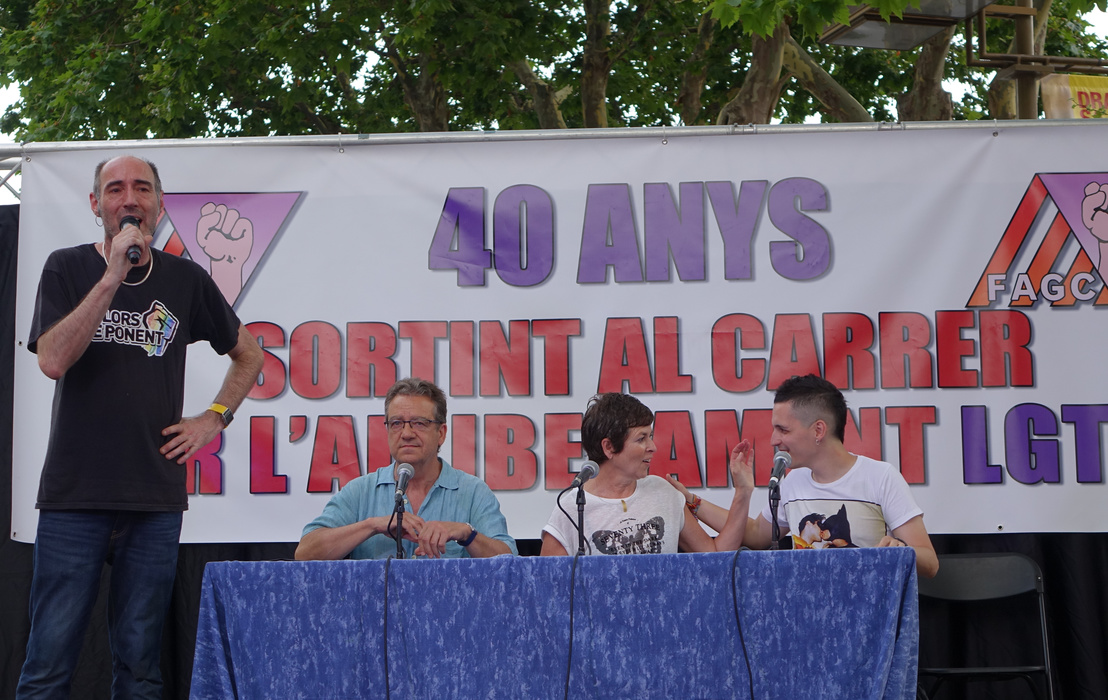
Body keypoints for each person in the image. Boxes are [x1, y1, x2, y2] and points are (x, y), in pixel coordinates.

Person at [17, 155, 265, 699]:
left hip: (153, 497)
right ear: (95, 204)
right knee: (48, 665)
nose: (129, 199)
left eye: (142, 188)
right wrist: (112, 276)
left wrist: (214, 417)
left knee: (140, 667)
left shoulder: (185, 278)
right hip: (74, 495)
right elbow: (52, 360)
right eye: (115, 189)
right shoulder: (66, 267)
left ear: (159, 203)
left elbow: (250, 355)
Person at [675, 374, 938, 578]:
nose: (773, 440)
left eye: (783, 430)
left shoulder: (880, 477)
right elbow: (756, 535)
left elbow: (930, 563)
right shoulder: (793, 481)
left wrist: (900, 552)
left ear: (818, 430)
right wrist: (690, 501)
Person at [296, 377, 517, 560]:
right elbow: (305, 553)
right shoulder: (360, 491)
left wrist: (468, 534)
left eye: (419, 423)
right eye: (397, 423)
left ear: (441, 433)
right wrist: (373, 525)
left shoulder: (473, 492)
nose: (407, 433)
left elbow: (510, 564)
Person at [540, 393, 752, 556]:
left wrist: (742, 491)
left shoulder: (663, 491)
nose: (653, 447)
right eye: (641, 438)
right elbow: (549, 590)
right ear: (609, 447)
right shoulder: (570, 510)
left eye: (650, 436)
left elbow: (716, 557)